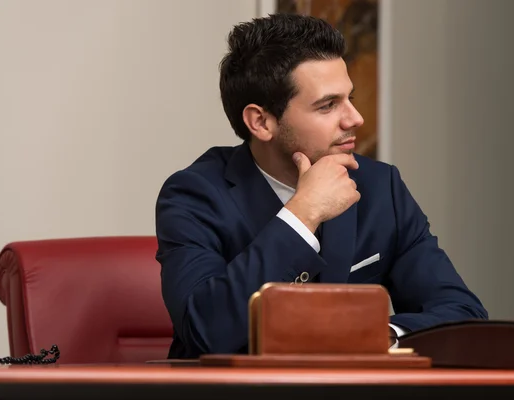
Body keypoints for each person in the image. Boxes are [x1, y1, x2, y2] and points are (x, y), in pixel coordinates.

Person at [155, 13, 488, 359]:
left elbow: (464, 314)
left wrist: (375, 334)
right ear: (261, 122)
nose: (355, 119)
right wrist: (303, 214)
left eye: (350, 99)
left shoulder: (379, 187)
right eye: (328, 105)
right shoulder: (194, 195)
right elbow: (205, 332)